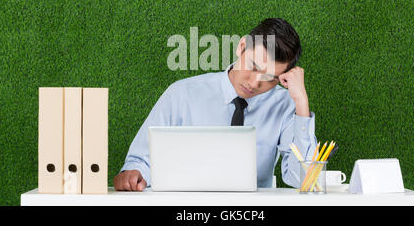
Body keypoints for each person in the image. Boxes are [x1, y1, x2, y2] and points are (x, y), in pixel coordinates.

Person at [113, 18, 317, 191]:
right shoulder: (182, 93)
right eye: (253, 66)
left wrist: (301, 103)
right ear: (242, 47)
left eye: (270, 78)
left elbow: (304, 180)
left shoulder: (285, 105)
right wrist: (134, 174)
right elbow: (140, 161)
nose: (254, 83)